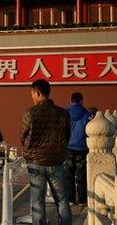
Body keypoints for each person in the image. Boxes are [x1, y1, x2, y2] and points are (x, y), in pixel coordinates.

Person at [21, 79, 71, 225]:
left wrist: (29, 152)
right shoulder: (63, 113)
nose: (32, 97)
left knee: (37, 202)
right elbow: (67, 136)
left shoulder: (30, 113)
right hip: (56, 161)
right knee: (62, 200)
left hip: (35, 162)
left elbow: (23, 136)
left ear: (37, 93)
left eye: (32, 94)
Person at [65, 92, 91, 205]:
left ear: (71, 101)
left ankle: (70, 199)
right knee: (81, 175)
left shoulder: (66, 113)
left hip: (69, 148)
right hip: (82, 148)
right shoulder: (87, 114)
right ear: (81, 101)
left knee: (68, 175)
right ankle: (82, 200)